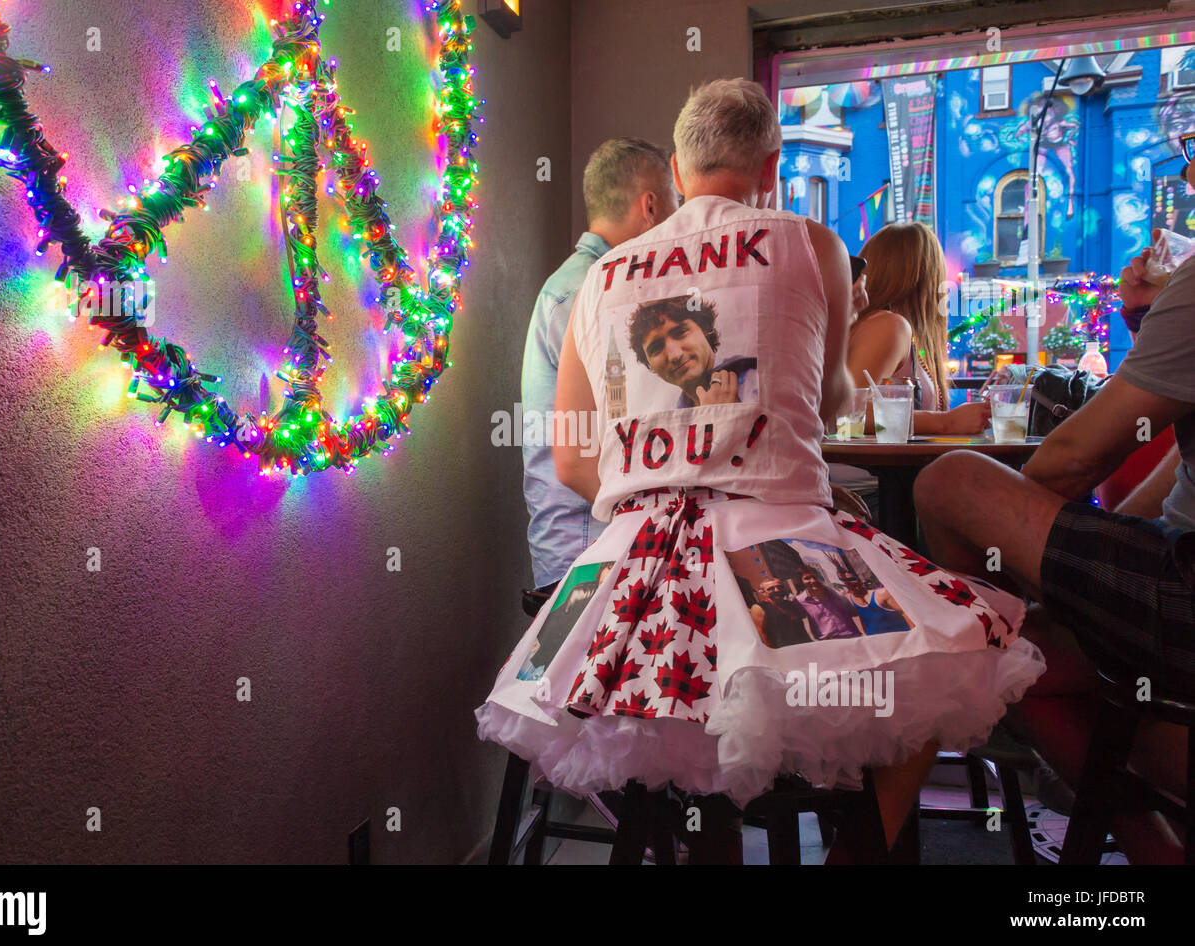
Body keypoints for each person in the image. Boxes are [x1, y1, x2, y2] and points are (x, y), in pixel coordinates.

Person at [478, 78, 1044, 861]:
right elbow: (832, 399)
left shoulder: (603, 278)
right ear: (771, 167)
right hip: (783, 555)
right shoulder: (813, 243)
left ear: (678, 170)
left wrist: (663, 506)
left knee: (687, 726)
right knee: (945, 656)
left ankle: (708, 846)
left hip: (634, 582)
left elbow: (574, 455)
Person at [913, 192, 1195, 860]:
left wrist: (1028, 545)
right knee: (1014, 662)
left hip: (1183, 593)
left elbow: (1073, 461)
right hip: (1170, 580)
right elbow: (1173, 470)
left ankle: (975, 683)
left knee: (951, 483)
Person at [521, 138, 678, 593]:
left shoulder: (579, 283)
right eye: (676, 204)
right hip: (588, 546)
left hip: (584, 538)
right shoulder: (594, 292)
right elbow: (587, 453)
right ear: (651, 206)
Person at [849, 223, 991, 434]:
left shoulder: (884, 326)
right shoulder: (890, 326)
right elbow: (850, 413)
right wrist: (947, 422)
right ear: (927, 276)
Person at [627, 294, 759, 407]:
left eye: (680, 333)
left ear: (705, 328)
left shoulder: (756, 380)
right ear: (649, 364)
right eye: (656, 348)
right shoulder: (677, 414)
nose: (675, 355)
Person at [795, 566, 863, 639]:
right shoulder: (799, 601)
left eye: (814, 577)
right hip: (829, 642)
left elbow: (855, 611)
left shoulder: (837, 592)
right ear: (801, 581)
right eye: (807, 578)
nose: (813, 580)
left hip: (851, 636)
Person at [749, 576, 815, 648]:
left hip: (805, 646)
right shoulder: (759, 608)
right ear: (763, 592)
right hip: (783, 650)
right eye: (771, 589)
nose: (777, 590)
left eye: (779, 587)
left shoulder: (790, 604)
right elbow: (762, 634)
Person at [840, 572, 912, 635]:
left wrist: (916, 636)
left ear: (859, 579)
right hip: (877, 641)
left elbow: (906, 612)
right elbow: (862, 616)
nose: (849, 583)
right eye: (844, 581)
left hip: (901, 638)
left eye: (851, 579)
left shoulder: (882, 594)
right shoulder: (849, 599)